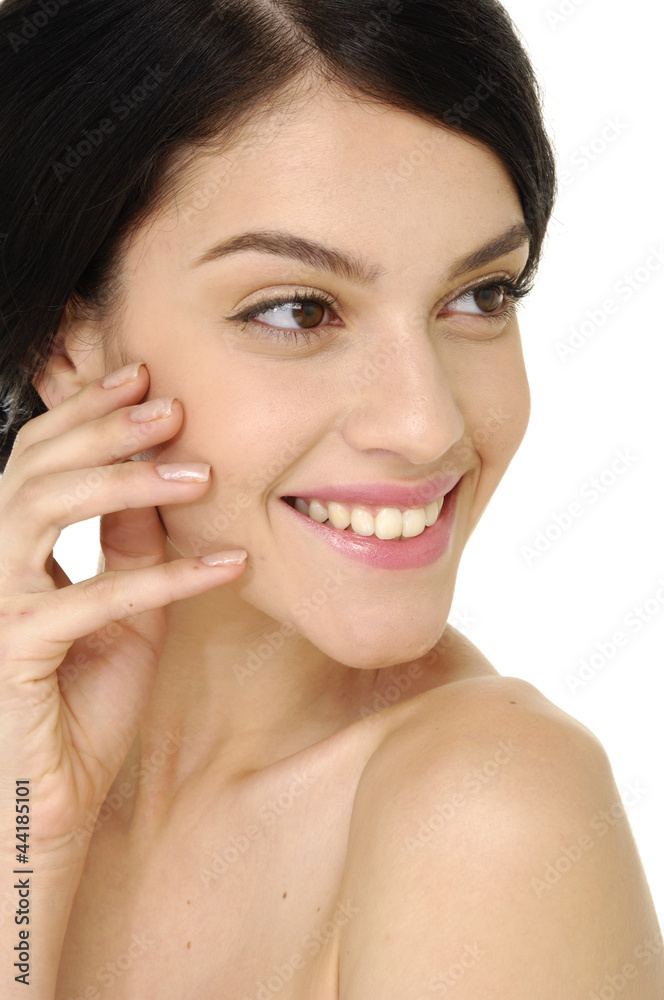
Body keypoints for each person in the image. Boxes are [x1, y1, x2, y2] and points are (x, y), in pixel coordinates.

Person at [1, 0, 662, 996]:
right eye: (298, 310)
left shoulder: (491, 810)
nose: (427, 422)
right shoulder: (23, 776)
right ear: (67, 343)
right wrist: (30, 846)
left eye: (481, 294)